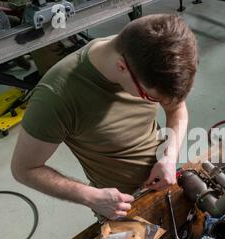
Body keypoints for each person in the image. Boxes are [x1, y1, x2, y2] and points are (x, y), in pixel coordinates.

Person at [11, 14, 199, 220]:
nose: (155, 102)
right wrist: (90, 197)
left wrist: (169, 156)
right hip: (118, 203)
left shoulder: (143, 53)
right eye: (150, 97)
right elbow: (25, 169)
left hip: (165, 176)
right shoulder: (56, 96)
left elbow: (176, 109)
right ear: (121, 67)